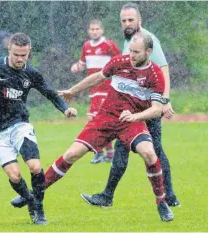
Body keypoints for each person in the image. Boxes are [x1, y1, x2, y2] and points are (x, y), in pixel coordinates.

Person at [13, 32, 174, 221]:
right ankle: (34, 193)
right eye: (130, 51)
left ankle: (161, 202)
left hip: (131, 122)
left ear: (148, 51)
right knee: (71, 154)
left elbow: (157, 110)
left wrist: (134, 117)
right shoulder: (119, 61)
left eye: (136, 52)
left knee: (149, 153)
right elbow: (98, 77)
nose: (131, 55)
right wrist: (73, 90)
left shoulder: (155, 75)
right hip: (105, 118)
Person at [0, 32, 77, 225]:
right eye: (16, 54)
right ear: (9, 49)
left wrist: (65, 110)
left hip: (20, 124)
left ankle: (39, 211)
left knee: (35, 167)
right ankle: (29, 199)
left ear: (29, 52)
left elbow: (50, 93)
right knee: (15, 175)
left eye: (23, 55)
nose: (19, 59)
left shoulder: (32, 73)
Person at [80, 2, 180, 208]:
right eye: (123, 20)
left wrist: (165, 100)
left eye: (130, 20)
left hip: (147, 109)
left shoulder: (148, 40)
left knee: (156, 151)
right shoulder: (130, 42)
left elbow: (164, 69)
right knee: (124, 150)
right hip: (131, 110)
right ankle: (109, 196)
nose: (127, 23)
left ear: (139, 20)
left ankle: (168, 197)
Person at [70, 19, 121, 164]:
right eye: (92, 29)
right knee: (100, 121)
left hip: (107, 88)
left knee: (94, 119)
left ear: (102, 30)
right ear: (88, 31)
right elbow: (82, 64)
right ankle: (109, 154)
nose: (94, 31)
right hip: (93, 90)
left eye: (97, 29)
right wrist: (76, 67)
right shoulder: (86, 46)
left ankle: (100, 153)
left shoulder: (109, 45)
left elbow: (119, 62)